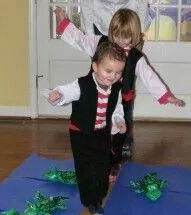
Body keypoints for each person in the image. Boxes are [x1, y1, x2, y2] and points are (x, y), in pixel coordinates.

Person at [54, 7, 185, 169]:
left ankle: (113, 162)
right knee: (97, 127)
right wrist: (64, 22)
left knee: (120, 132)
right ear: (111, 32)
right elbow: (80, 39)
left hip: (122, 100)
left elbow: (150, 77)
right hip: (98, 95)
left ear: (134, 35)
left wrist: (167, 96)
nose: (120, 41)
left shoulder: (136, 58)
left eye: (126, 37)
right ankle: (93, 158)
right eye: (117, 36)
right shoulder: (100, 43)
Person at [45, 41, 127, 215]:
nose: (113, 76)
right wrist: (58, 95)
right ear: (95, 66)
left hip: (101, 132)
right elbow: (67, 92)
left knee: (102, 164)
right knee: (86, 166)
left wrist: (119, 120)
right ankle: (91, 200)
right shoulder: (82, 84)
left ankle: (99, 192)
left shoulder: (116, 89)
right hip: (80, 133)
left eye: (118, 72)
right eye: (108, 71)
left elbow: (117, 108)